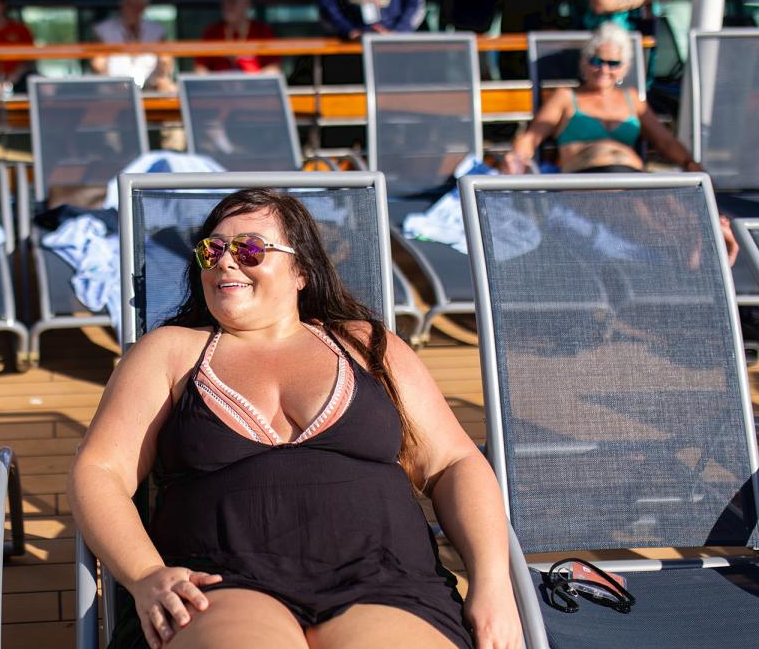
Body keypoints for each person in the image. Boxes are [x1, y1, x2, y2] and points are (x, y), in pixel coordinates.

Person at [70, 189, 521, 649]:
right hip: (218, 585)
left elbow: (453, 463)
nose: (225, 262)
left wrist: (493, 585)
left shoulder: (366, 345)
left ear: (301, 270)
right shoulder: (170, 352)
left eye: (249, 249)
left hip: (387, 582)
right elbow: (100, 470)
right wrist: (146, 574)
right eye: (212, 250)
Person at [503, 24, 699, 174]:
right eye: (596, 61)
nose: (604, 69)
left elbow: (665, 142)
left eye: (613, 63)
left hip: (632, 178)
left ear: (625, 68)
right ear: (584, 63)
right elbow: (532, 137)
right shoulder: (565, 97)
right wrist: (516, 159)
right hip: (585, 180)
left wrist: (690, 164)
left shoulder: (632, 99)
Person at [91, 0, 175, 91]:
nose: (134, 9)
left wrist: (161, 77)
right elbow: (98, 63)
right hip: (115, 90)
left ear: (145, 7)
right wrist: (111, 84)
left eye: (139, 5)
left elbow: (166, 61)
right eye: (130, 4)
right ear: (122, 3)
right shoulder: (103, 30)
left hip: (150, 88)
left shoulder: (157, 30)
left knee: (170, 89)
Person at [194, 0, 281, 74]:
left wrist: (252, 78)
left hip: (254, 83)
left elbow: (273, 69)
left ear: (247, 3)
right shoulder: (212, 32)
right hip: (219, 83)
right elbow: (200, 69)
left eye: (233, 1)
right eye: (224, 1)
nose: (227, 5)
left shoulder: (263, 31)